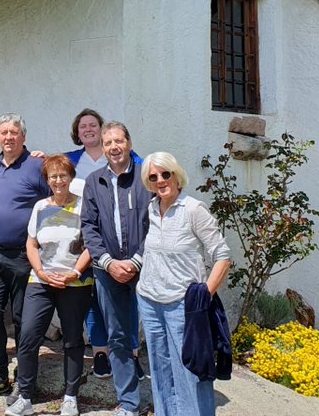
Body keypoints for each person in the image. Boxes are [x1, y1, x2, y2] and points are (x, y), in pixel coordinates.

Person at [137, 152, 231, 416]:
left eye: (165, 174)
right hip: (149, 300)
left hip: (183, 305)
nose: (160, 180)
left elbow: (222, 255)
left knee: (190, 369)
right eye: (153, 177)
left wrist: (205, 296)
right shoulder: (152, 208)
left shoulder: (193, 209)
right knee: (160, 367)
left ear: (177, 175)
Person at [0, 113, 51, 399]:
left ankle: (25, 379)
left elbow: (57, 196)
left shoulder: (37, 165)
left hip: (23, 255)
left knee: (23, 319)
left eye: (14, 132)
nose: (8, 137)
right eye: (4, 132)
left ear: (23, 137)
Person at [5, 155, 93, 416]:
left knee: (73, 340)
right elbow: (31, 244)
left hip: (75, 282)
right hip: (41, 282)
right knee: (29, 336)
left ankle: (70, 397)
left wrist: (75, 272)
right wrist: (41, 272)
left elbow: (90, 244)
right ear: (47, 180)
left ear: (71, 177)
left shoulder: (83, 208)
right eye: (53, 176)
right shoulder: (40, 207)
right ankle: (26, 397)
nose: (58, 180)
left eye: (63, 175)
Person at [62, 108, 142, 378]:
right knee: (93, 297)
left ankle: (132, 353)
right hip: (82, 237)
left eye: (93, 125)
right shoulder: (72, 159)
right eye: (82, 126)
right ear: (77, 132)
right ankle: (100, 353)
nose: (88, 130)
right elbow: (51, 172)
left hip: (121, 241)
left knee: (127, 301)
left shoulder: (133, 163)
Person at [80, 122, 151, 416]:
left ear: (129, 143)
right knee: (119, 337)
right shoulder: (94, 182)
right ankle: (130, 404)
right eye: (108, 142)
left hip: (147, 268)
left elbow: (156, 224)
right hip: (107, 271)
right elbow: (88, 227)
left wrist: (136, 261)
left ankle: (169, 400)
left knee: (160, 334)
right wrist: (109, 263)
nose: (113, 147)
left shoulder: (146, 178)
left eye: (119, 141)